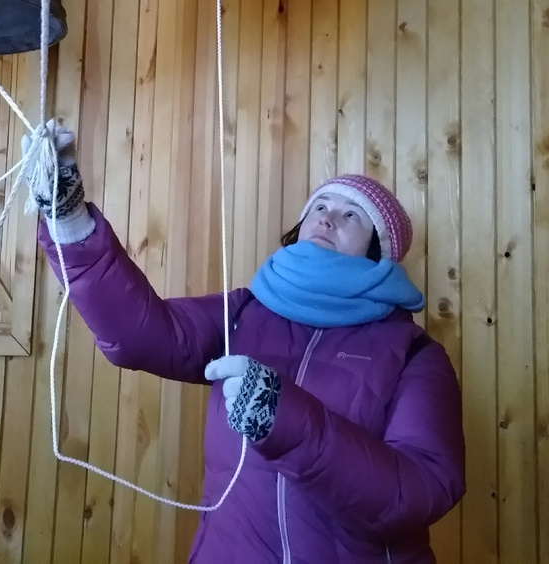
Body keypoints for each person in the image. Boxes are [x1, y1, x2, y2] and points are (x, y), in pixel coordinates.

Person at [23, 121, 465, 564]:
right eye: (321, 206)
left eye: (352, 215)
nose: (328, 217)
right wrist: (70, 219)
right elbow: (140, 334)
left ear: (379, 250)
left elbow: (421, 490)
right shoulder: (244, 311)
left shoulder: (414, 355)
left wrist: (286, 419)